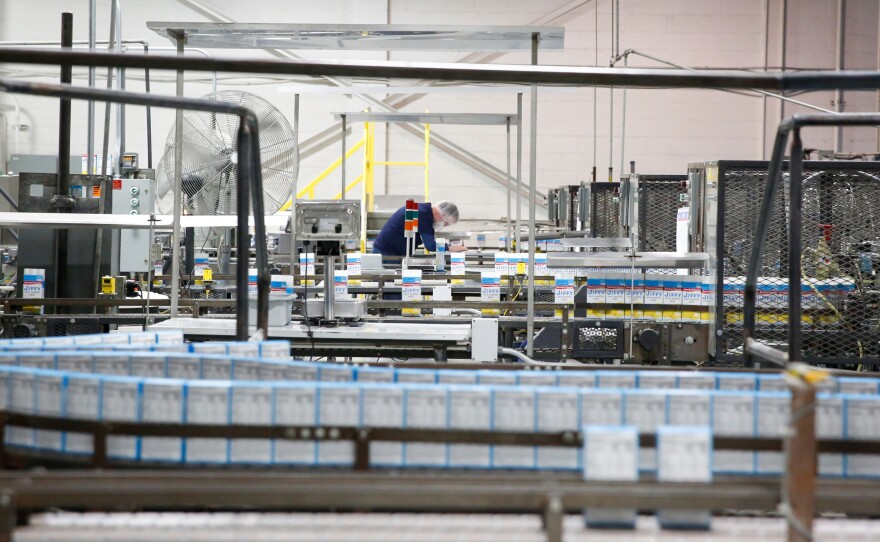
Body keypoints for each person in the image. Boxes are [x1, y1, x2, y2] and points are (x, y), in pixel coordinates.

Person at [372, 200, 467, 257]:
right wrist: (452, 248)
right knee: (391, 288)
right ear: (443, 215)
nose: (444, 226)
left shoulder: (424, 212)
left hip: (392, 253)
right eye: (446, 223)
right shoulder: (423, 214)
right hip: (387, 254)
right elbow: (430, 245)